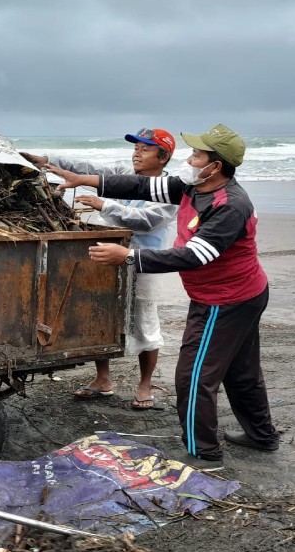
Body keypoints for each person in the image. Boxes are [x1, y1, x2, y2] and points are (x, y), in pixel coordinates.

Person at [48, 124, 277, 471]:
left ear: (215, 166)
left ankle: (205, 454)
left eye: (197, 154)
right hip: (239, 293)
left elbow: (195, 255)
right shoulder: (193, 186)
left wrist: (128, 256)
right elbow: (140, 186)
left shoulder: (230, 206)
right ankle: (262, 435)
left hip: (225, 300)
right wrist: (85, 180)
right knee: (241, 370)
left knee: (194, 376)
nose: (190, 158)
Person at [21, 128, 178, 410]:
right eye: (135, 148)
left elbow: (146, 221)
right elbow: (89, 168)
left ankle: (144, 385)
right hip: (107, 254)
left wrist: (103, 205)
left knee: (145, 322)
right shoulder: (124, 173)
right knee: (100, 313)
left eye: (145, 149)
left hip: (143, 261)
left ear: (163, 157)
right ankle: (103, 379)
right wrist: (47, 160)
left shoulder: (170, 189)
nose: (137, 154)